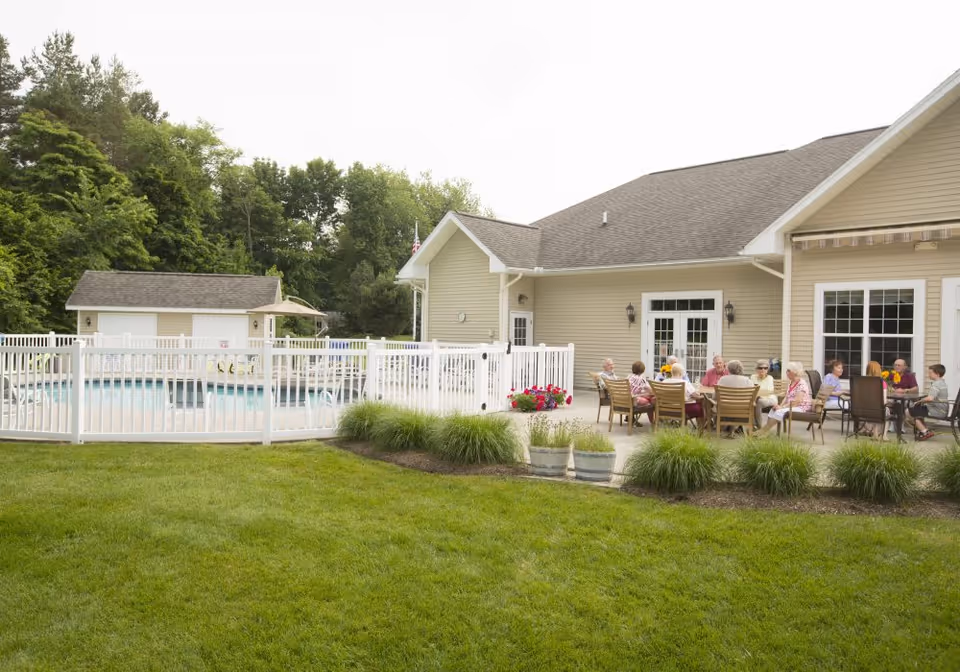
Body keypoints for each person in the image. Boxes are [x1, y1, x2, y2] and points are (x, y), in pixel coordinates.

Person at [757, 361, 811, 435]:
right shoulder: (791, 382)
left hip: (800, 407)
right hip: (791, 406)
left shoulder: (802, 384)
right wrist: (780, 406)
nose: (786, 372)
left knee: (779, 411)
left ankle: (762, 432)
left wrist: (782, 407)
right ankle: (765, 432)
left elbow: (797, 401)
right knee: (773, 409)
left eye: (788, 370)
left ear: (795, 372)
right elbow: (786, 397)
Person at [906, 364, 949, 441]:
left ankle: (925, 431)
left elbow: (930, 398)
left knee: (908, 412)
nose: (928, 374)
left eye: (930, 373)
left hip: (936, 410)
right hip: (940, 409)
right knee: (916, 411)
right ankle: (924, 430)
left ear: (937, 374)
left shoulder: (936, 384)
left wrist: (919, 401)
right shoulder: (942, 383)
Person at [662, 362, 706, 431]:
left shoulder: (664, 382)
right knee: (700, 406)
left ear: (671, 372)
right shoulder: (685, 383)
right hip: (683, 409)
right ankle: (700, 431)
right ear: (681, 373)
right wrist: (703, 397)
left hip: (666, 409)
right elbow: (695, 395)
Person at [716, 360, 753, 437]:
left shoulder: (723, 379)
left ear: (728, 369)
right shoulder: (747, 380)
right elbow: (752, 397)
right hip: (743, 410)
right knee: (739, 406)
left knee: (713, 404)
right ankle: (732, 430)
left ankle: (721, 428)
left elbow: (715, 396)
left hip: (725, 409)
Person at [859, 360, 888, 439]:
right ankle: (884, 435)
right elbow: (884, 400)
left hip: (862, 409)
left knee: (877, 410)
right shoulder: (881, 383)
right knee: (886, 410)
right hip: (877, 410)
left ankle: (875, 433)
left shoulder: (861, 382)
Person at [751, 360, 777, 427]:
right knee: (754, 402)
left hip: (770, 399)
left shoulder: (770, 378)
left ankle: (759, 426)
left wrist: (757, 395)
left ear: (767, 369)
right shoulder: (753, 377)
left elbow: (768, 392)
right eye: (760, 368)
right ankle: (754, 425)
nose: (763, 370)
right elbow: (751, 389)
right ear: (756, 369)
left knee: (758, 402)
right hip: (756, 399)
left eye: (765, 368)